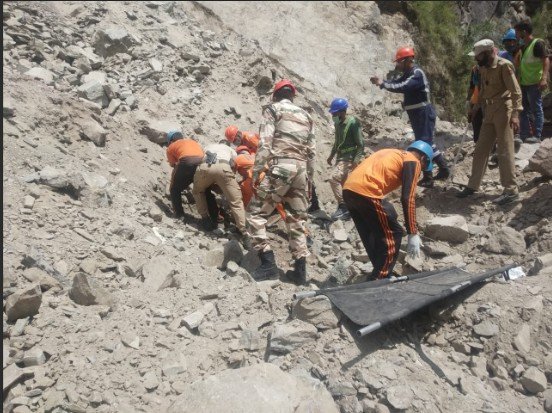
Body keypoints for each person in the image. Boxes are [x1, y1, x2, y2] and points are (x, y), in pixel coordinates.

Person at [248, 79, 315, 285]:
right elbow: (311, 153)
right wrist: (310, 181)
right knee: (296, 220)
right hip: (301, 171)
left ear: (275, 95)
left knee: (256, 213)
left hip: (281, 167)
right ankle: (300, 271)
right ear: (292, 96)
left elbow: (265, 143)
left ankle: (268, 264)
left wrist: (256, 172)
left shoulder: (273, 109)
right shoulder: (307, 116)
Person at [342, 141, 433, 280]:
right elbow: (408, 198)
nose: (421, 171)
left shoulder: (392, 153)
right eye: (424, 167)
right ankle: (380, 278)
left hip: (349, 190)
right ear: (423, 158)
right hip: (367, 191)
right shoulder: (413, 161)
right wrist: (412, 232)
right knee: (394, 232)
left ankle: (379, 270)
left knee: (372, 232)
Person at [370, 47, 450, 188]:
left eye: (399, 61)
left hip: (423, 113)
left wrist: (383, 83)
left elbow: (403, 86)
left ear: (407, 60)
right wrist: (383, 83)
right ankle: (443, 169)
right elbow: (396, 82)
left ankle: (429, 177)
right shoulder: (408, 73)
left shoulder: (416, 73)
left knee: (424, 145)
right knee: (426, 143)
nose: (397, 64)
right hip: (417, 113)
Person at [457, 39, 522, 205]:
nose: (475, 59)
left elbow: (516, 92)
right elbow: (483, 92)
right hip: (489, 112)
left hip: (504, 111)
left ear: (487, 53)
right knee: (480, 149)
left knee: (505, 150)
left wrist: (515, 114)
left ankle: (511, 191)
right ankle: (473, 185)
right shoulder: (483, 68)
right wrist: (474, 109)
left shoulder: (504, 66)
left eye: (478, 56)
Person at [192, 142, 247, 235]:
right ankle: (243, 231)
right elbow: (233, 164)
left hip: (205, 167)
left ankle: (205, 219)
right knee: (236, 201)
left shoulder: (208, 146)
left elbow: (200, 158)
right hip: (224, 167)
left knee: (198, 192)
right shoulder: (230, 149)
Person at [326, 97, 364, 221]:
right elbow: (337, 142)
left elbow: (360, 144)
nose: (333, 116)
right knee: (344, 185)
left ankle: (343, 206)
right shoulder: (337, 124)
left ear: (342, 111)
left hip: (349, 158)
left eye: (335, 113)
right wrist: (331, 156)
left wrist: (356, 161)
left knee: (333, 178)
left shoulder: (353, 123)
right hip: (340, 158)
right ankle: (349, 210)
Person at [514, 20, 550, 143]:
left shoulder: (537, 43)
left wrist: (544, 78)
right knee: (523, 110)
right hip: (524, 83)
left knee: (536, 109)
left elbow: (546, 60)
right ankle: (525, 134)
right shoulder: (523, 47)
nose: (516, 34)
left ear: (524, 32)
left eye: (517, 32)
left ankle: (537, 135)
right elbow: (519, 65)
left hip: (534, 83)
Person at [165, 130, 204, 218]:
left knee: (174, 189)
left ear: (171, 141)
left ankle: (179, 214)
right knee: (203, 189)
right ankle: (212, 216)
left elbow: (173, 164)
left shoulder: (171, 146)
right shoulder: (193, 142)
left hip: (186, 161)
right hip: (202, 163)